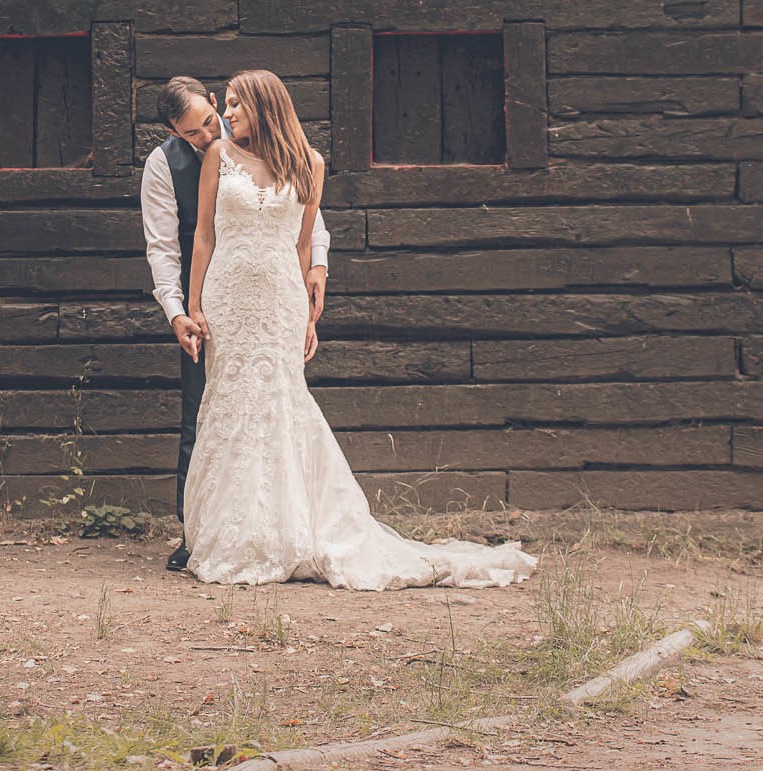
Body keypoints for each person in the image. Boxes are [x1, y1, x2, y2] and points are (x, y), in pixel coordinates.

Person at [179, 69, 538, 590]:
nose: (226, 115)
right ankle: (233, 536)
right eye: (226, 105)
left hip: (279, 299)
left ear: (264, 106)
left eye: (235, 105)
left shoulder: (310, 164)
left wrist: (305, 311)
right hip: (229, 298)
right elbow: (204, 235)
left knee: (280, 402)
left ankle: (291, 531)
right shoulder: (219, 157)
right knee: (232, 402)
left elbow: (302, 246)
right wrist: (193, 303)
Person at [140, 76, 330, 572]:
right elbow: (169, 244)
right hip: (218, 295)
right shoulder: (164, 165)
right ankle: (198, 531)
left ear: (212, 101)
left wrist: (317, 268)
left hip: (276, 297)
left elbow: (306, 220)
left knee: (275, 408)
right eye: (191, 134)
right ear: (173, 132)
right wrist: (181, 308)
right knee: (203, 411)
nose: (206, 135)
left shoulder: (271, 138)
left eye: (209, 121)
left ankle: (281, 525)